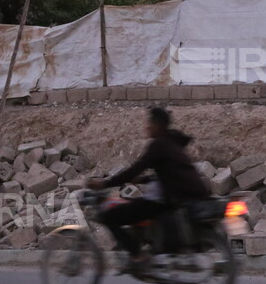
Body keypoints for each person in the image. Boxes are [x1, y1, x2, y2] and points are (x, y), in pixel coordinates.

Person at [87, 106, 210, 275]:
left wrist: (105, 184)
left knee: (109, 217)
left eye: (149, 122)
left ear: (157, 125)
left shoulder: (158, 144)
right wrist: (143, 180)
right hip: (177, 198)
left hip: (162, 202)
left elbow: (135, 168)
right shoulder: (172, 144)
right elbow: (167, 174)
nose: (146, 126)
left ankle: (137, 256)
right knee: (133, 208)